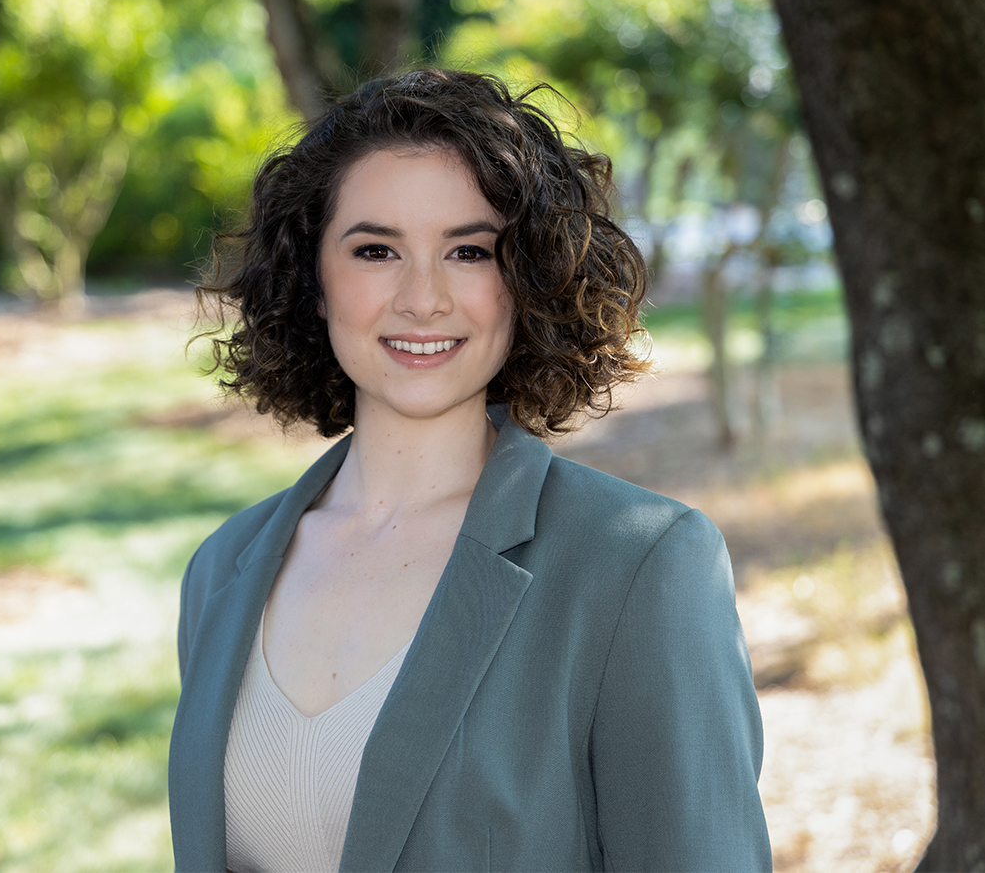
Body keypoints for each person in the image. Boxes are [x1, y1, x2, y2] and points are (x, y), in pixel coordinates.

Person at [168, 69, 771, 873]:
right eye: (376, 249)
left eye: (468, 250)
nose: (423, 298)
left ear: (525, 281)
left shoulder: (637, 566)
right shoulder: (223, 569)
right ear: (314, 281)